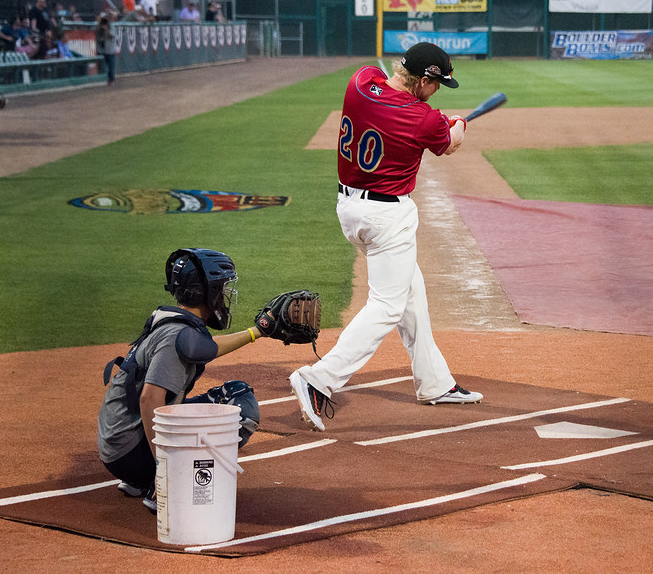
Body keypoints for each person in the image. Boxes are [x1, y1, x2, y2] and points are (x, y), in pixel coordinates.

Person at [288, 42, 482, 432]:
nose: (437, 90)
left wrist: (444, 121)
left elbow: (393, 93)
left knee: (411, 288)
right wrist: (457, 124)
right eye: (437, 83)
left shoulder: (361, 81)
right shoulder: (424, 119)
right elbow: (450, 143)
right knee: (388, 305)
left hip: (349, 209)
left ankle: (434, 382)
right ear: (424, 78)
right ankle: (320, 378)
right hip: (386, 218)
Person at [97, 248, 264, 513]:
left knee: (219, 398)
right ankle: (161, 482)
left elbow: (208, 347)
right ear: (206, 291)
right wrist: (164, 467)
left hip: (122, 439)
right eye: (221, 287)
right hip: (128, 450)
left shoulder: (175, 325)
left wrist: (257, 332)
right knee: (239, 404)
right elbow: (149, 398)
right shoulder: (175, 339)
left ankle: (141, 479)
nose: (224, 294)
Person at [96, 15, 116, 85]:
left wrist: (106, 30)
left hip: (110, 50)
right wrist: (100, 26)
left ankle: (111, 80)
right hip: (102, 50)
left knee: (111, 67)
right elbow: (97, 36)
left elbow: (112, 36)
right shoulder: (99, 27)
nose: (104, 23)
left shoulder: (111, 26)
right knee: (101, 66)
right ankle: (102, 80)